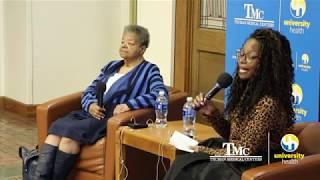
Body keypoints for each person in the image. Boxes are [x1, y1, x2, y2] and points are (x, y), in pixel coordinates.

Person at [34, 24, 168, 180]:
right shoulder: (111, 66)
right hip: (89, 114)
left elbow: (160, 94)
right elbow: (89, 90)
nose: (124, 46)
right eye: (122, 42)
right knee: (54, 134)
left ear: (142, 49)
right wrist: (90, 105)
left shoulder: (149, 70)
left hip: (108, 118)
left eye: (130, 43)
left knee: (68, 139)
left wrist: (129, 105)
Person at [164, 28, 295, 180]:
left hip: (256, 163)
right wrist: (213, 114)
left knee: (192, 167)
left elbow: (242, 151)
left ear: (267, 63)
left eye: (251, 57)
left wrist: (200, 148)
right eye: (242, 54)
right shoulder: (248, 92)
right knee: (186, 161)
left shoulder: (268, 102)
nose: (242, 60)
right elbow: (233, 136)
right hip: (239, 156)